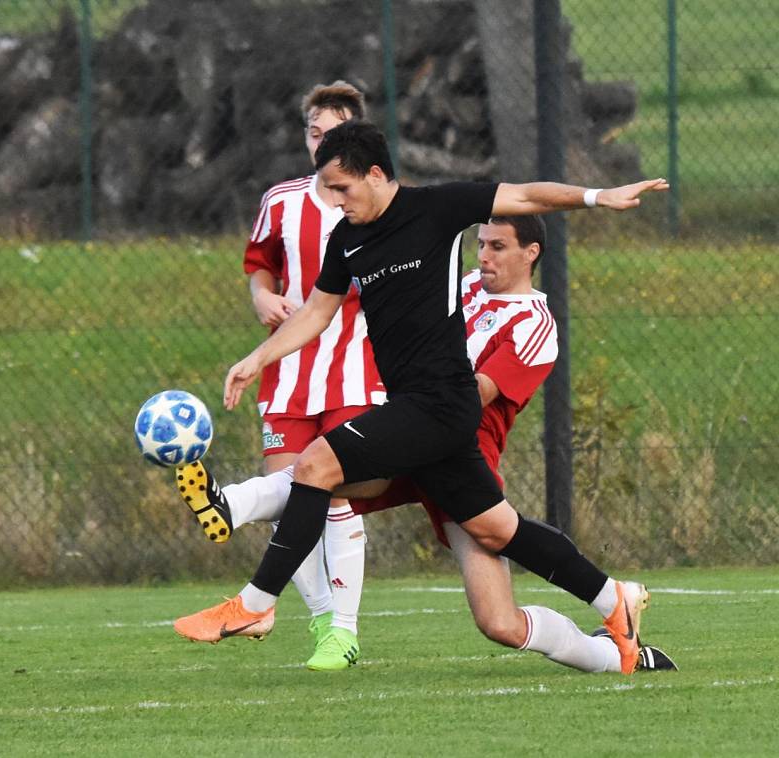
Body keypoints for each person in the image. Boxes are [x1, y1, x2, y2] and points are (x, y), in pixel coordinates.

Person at [173, 120, 669, 675]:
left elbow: (526, 195)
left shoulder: (437, 209)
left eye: (342, 189)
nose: (334, 202)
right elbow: (316, 312)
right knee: (497, 533)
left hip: (440, 405)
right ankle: (612, 604)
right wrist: (257, 358)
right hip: (425, 415)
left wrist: (600, 196)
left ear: (377, 174)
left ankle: (256, 603)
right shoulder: (347, 238)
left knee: (317, 464)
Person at [180, 82, 382, 670]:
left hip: (354, 365)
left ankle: (340, 628)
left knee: (333, 484)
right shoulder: (281, 201)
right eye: (314, 133)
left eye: (334, 134)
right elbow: (259, 267)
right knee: (297, 502)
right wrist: (262, 300)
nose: (321, 145)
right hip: (289, 369)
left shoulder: (375, 202)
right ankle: (318, 625)